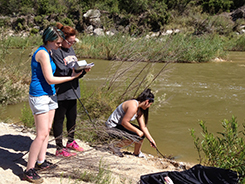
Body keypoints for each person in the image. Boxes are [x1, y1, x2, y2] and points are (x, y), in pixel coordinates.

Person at [23, 26, 84, 183]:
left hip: (50, 94)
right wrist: (71, 77)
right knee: (41, 134)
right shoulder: (42, 53)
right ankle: (29, 169)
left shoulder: (49, 51)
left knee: (47, 130)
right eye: (57, 43)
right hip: (40, 95)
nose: (59, 45)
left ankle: (41, 162)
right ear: (49, 40)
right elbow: (50, 79)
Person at [52, 22, 91, 157]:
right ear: (62, 39)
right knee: (59, 119)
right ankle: (59, 148)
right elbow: (62, 71)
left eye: (74, 42)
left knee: (72, 118)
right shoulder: (56, 51)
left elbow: (74, 73)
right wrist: (75, 70)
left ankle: (70, 141)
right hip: (61, 91)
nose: (71, 44)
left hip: (73, 90)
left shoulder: (70, 50)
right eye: (70, 42)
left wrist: (83, 71)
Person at [105, 88, 157, 158]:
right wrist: (137, 131)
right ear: (147, 102)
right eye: (150, 104)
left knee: (141, 134)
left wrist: (151, 140)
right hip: (112, 126)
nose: (149, 107)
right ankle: (115, 146)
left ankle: (137, 153)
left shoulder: (139, 109)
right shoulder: (133, 106)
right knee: (137, 135)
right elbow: (124, 122)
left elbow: (143, 127)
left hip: (120, 125)